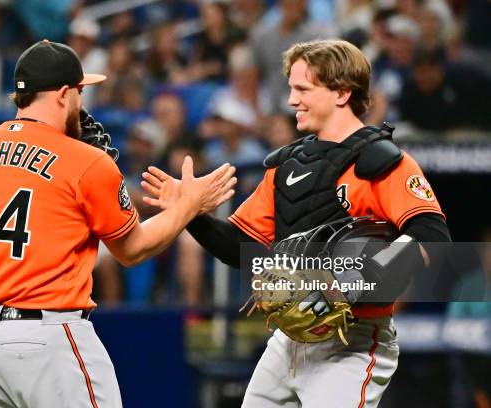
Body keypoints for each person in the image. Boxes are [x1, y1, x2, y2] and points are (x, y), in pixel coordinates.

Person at [141, 39, 451, 407]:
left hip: (353, 341)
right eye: (291, 88)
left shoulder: (383, 163)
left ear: (341, 93)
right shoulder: (287, 165)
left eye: (303, 88)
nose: (291, 100)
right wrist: (188, 212)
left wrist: (348, 282)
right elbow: (240, 248)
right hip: (290, 341)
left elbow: (432, 237)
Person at [0, 40, 236, 408]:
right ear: (64, 93)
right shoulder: (84, 159)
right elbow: (132, 249)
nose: (81, 103)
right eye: (81, 92)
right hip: (47, 336)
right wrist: (188, 206)